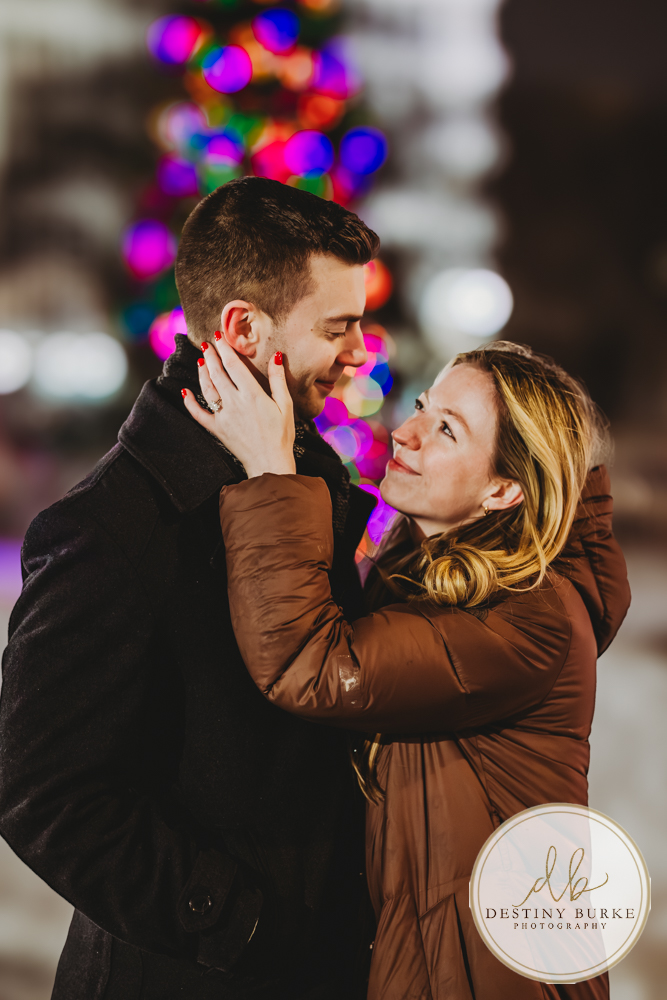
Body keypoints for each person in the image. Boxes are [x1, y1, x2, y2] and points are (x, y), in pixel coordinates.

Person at [0, 178, 380, 1000]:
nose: (359, 352)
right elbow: (40, 792)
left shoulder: (307, 475)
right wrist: (232, 920)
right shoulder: (111, 528)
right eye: (338, 326)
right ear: (246, 329)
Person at [184, 337, 631, 1000]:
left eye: (446, 429)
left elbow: (311, 663)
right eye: (423, 405)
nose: (408, 431)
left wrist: (271, 472)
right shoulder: (428, 569)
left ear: (503, 488)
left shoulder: (530, 614)